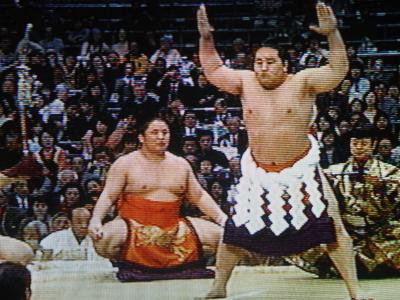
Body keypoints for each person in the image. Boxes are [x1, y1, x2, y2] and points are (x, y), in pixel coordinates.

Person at [198, 3, 365, 299]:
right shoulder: (245, 82)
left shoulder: (302, 83)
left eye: (270, 62)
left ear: (284, 65)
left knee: (333, 228)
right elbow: (212, 68)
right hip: (258, 173)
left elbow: (338, 69)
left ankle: (354, 292)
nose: (262, 67)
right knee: (235, 230)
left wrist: (333, 34)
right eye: (258, 62)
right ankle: (218, 286)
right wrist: (206, 39)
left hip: (301, 169)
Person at [89, 118, 226, 272]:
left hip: (173, 225)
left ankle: (183, 264)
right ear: (142, 137)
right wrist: (96, 219)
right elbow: (108, 195)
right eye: (155, 133)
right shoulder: (125, 163)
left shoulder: (181, 164)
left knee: (223, 237)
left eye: (165, 132)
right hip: (134, 224)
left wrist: (222, 218)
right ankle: (129, 261)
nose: (161, 137)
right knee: (104, 241)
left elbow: (199, 196)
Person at [288, 129, 400, 278]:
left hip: (378, 228)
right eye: (355, 143)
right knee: (302, 231)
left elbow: (393, 205)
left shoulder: (390, 172)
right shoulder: (335, 171)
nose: (359, 147)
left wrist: (380, 188)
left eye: (364, 144)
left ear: (373, 146)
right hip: (345, 229)